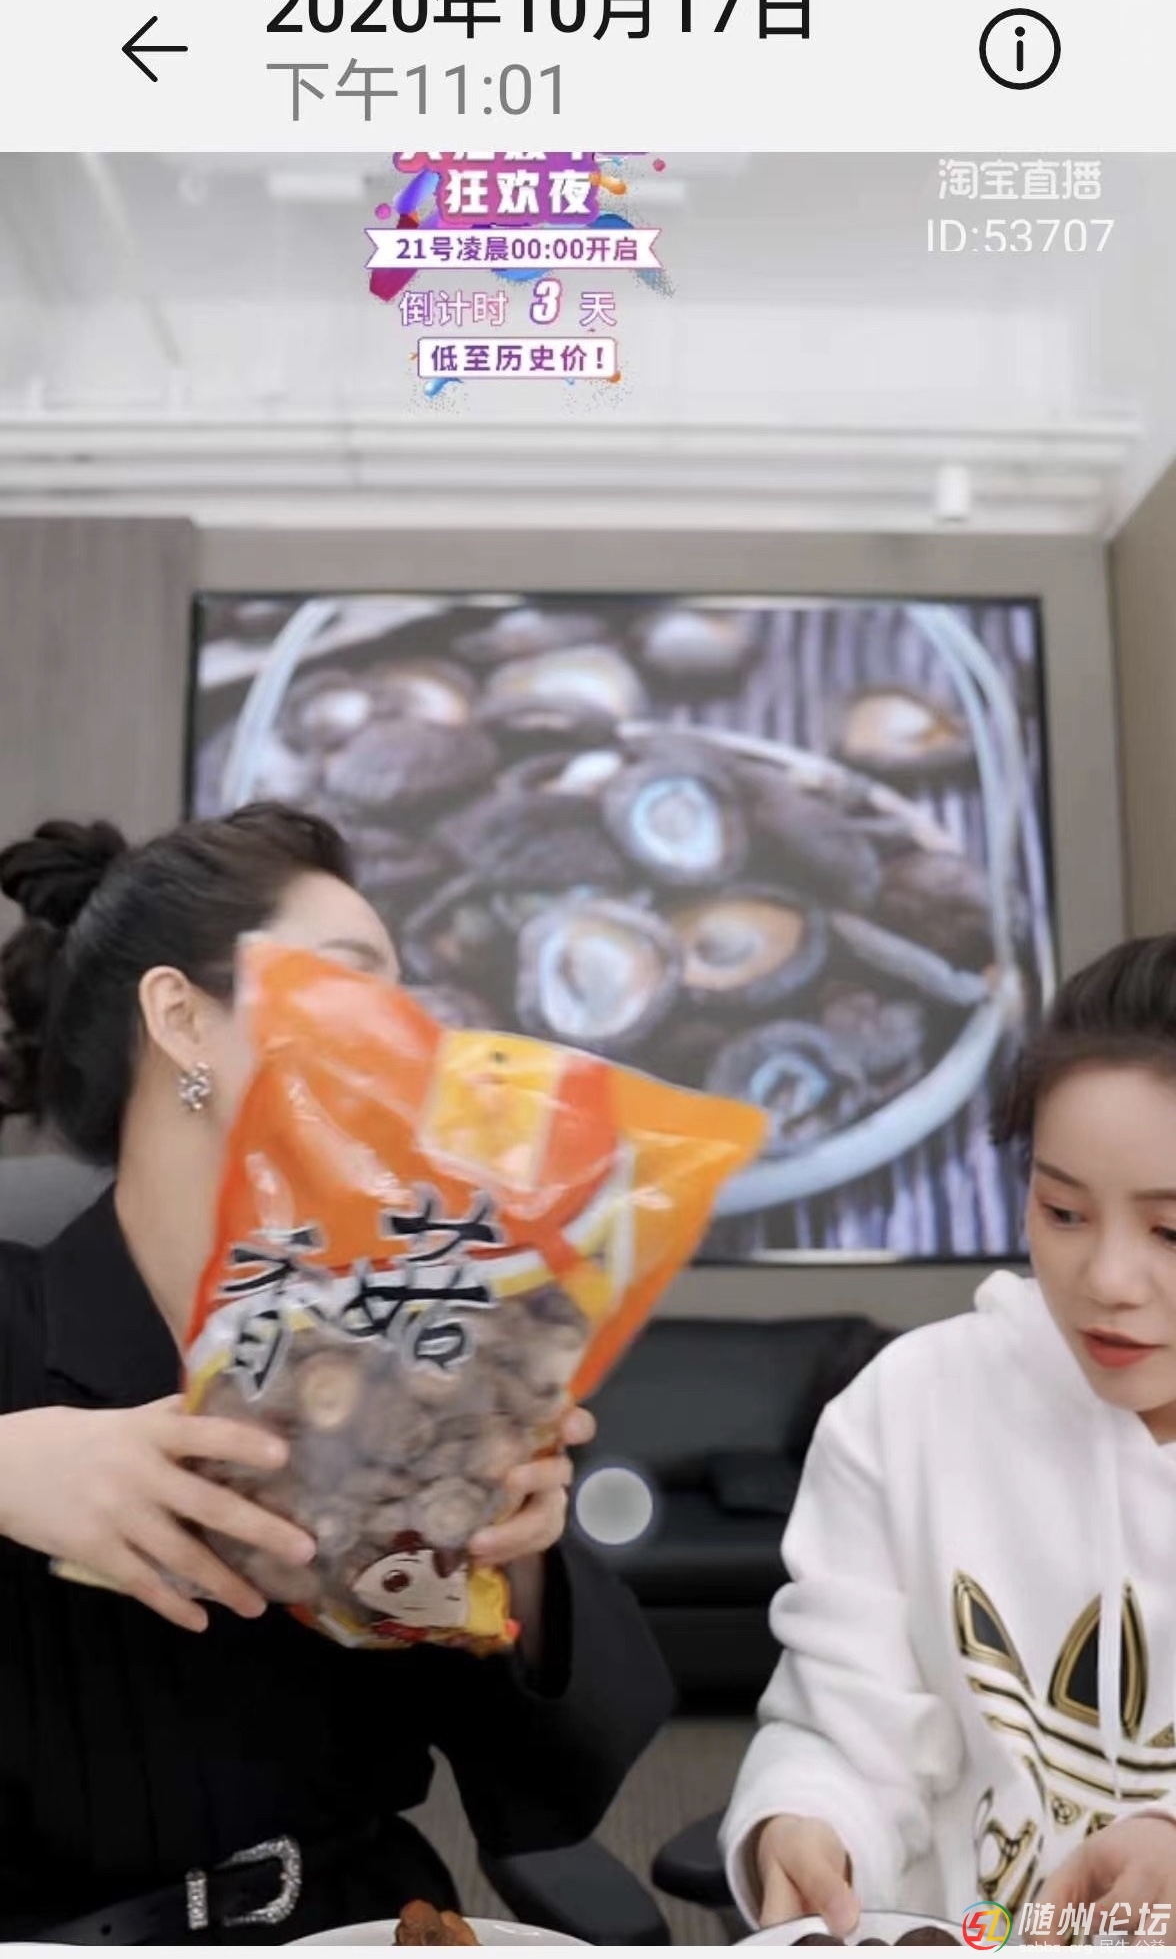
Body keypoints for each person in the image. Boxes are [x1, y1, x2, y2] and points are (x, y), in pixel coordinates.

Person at [0, 804, 674, 1944]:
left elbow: (558, 1789)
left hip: (356, 1928)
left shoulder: (412, 1338)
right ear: (183, 1019)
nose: (413, 1044)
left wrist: (520, 1568)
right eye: (356, 983)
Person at [722, 935, 1176, 1944]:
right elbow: (845, 1728)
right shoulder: (911, 1407)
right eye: (1063, 1209)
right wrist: (805, 1821)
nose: (1108, 1278)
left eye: (1170, 1232)